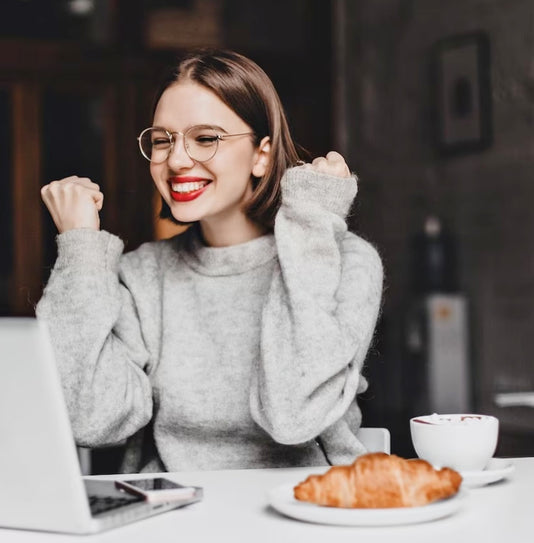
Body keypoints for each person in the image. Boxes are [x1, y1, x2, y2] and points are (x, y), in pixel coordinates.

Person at [37, 49, 383, 473]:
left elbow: (293, 416)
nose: (177, 160)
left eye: (205, 138)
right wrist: (80, 249)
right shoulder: (142, 274)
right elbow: (89, 420)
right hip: (173, 517)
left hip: (309, 512)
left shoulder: (346, 262)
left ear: (263, 154)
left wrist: (310, 224)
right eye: (163, 140)